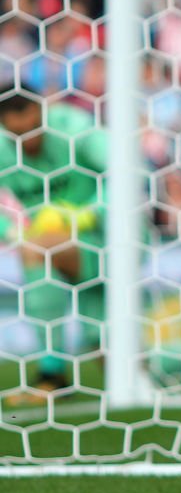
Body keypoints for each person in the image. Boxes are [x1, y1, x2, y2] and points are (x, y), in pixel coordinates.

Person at [0, 91, 106, 402]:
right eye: (16, 135)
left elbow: (127, 172)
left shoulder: (77, 128)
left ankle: (52, 374)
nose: (26, 142)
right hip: (60, 248)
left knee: (35, 249)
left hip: (107, 238)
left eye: (32, 131)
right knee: (106, 348)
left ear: (43, 114)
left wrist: (86, 214)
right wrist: (11, 231)